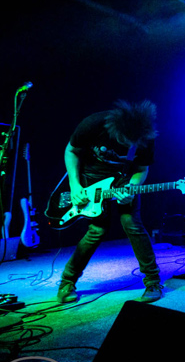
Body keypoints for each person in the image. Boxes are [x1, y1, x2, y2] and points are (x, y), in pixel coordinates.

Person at [56, 100, 163, 304]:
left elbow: (142, 169)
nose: (127, 145)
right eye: (124, 141)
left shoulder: (146, 136)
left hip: (123, 179)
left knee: (132, 223)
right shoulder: (94, 123)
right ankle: (67, 282)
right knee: (97, 230)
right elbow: (71, 151)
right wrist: (75, 186)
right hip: (90, 178)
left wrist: (132, 187)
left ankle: (153, 282)